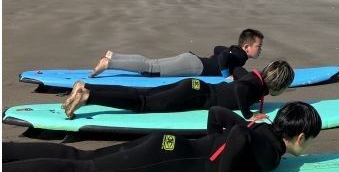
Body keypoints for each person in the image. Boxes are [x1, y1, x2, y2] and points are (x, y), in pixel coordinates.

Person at [3, 102, 321, 172]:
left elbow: (219, 114)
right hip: (160, 158)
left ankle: (7, 150)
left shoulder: (261, 127)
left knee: (79, 156)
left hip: (165, 142)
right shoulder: (271, 157)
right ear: (301, 136)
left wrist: (211, 145)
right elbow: (236, 134)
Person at [63, 60, 295, 120]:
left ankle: (87, 88)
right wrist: (249, 114)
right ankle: (89, 95)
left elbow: (240, 74)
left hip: (193, 87)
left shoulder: (255, 78)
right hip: (194, 94)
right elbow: (242, 89)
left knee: (142, 95)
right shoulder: (254, 86)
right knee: (143, 103)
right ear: (279, 84)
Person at [88, 28, 264, 78]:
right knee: (150, 68)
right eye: (258, 47)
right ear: (247, 47)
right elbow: (223, 56)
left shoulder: (234, 49)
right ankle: (109, 63)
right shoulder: (240, 56)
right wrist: (226, 75)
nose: (260, 50)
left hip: (192, 60)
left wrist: (224, 62)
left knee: (151, 63)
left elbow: (218, 49)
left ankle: (114, 56)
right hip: (194, 66)